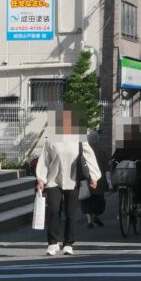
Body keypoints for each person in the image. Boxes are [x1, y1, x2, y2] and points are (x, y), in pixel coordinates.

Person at [36, 107, 100, 257]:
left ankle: (68, 243)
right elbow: (45, 160)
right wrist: (41, 179)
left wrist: (94, 176)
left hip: (72, 179)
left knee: (71, 213)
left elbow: (89, 156)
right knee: (53, 210)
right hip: (53, 179)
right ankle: (52, 243)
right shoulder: (51, 139)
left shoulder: (79, 139)